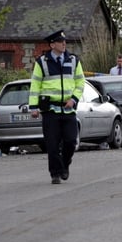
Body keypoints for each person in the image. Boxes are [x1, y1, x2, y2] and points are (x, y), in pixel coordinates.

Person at [29, 30, 85, 184]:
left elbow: (80, 83)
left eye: (65, 41)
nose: (64, 44)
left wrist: (73, 99)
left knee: (71, 141)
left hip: (68, 108)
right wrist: (33, 107)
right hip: (50, 109)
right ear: (52, 45)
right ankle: (55, 173)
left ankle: (65, 164)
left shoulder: (74, 60)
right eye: (60, 42)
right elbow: (35, 85)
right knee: (52, 144)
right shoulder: (42, 62)